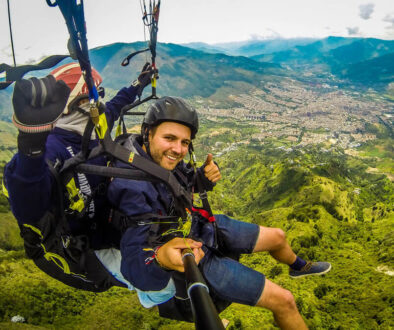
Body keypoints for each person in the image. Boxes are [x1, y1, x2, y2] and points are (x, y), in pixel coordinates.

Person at [107, 96, 331, 329]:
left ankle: (299, 267)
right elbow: (134, 264)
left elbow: (182, 183)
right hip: (193, 252)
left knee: (278, 237)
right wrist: (162, 260)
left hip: (197, 225)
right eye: (170, 138)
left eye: (184, 142)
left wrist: (203, 178)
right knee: (285, 301)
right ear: (148, 134)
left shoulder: (155, 159)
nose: (178, 149)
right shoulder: (131, 186)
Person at [3, 62, 157, 291]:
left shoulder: (93, 129)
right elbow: (29, 206)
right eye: (90, 100)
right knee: (160, 281)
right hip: (83, 248)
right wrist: (31, 145)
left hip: (104, 226)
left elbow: (117, 105)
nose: (99, 106)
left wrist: (138, 83)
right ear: (72, 106)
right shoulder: (53, 147)